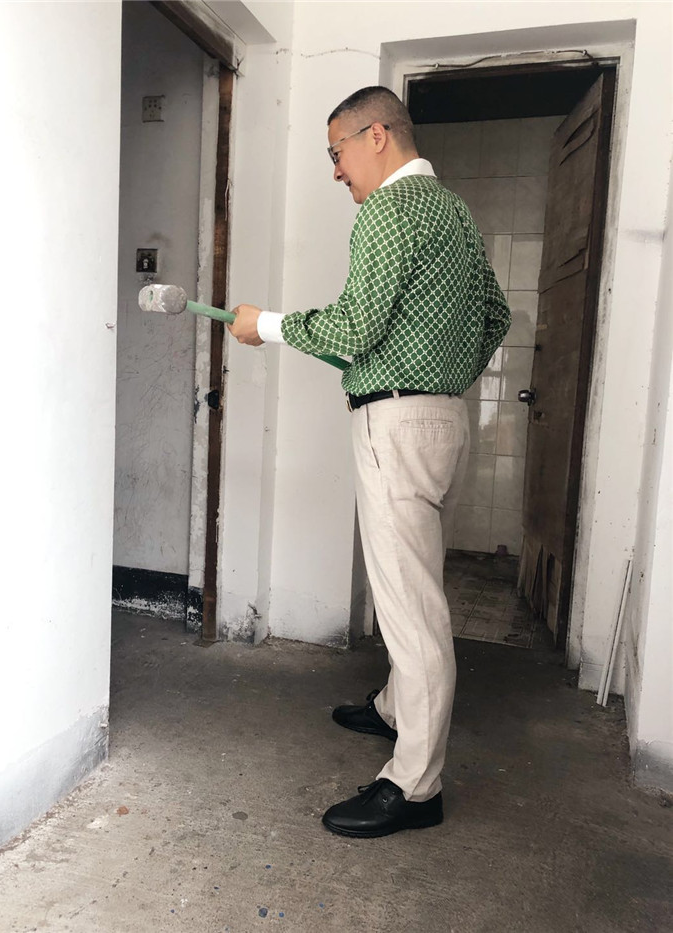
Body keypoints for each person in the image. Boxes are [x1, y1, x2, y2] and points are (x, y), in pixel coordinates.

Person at [228, 86, 511, 838]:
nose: (335, 170)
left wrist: (267, 325)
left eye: (337, 152)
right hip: (444, 420)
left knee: (412, 611)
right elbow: (497, 316)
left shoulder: (388, 210)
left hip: (397, 422)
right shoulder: (453, 212)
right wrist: (443, 377)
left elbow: (355, 329)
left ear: (376, 135)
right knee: (416, 583)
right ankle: (393, 707)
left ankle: (415, 786)